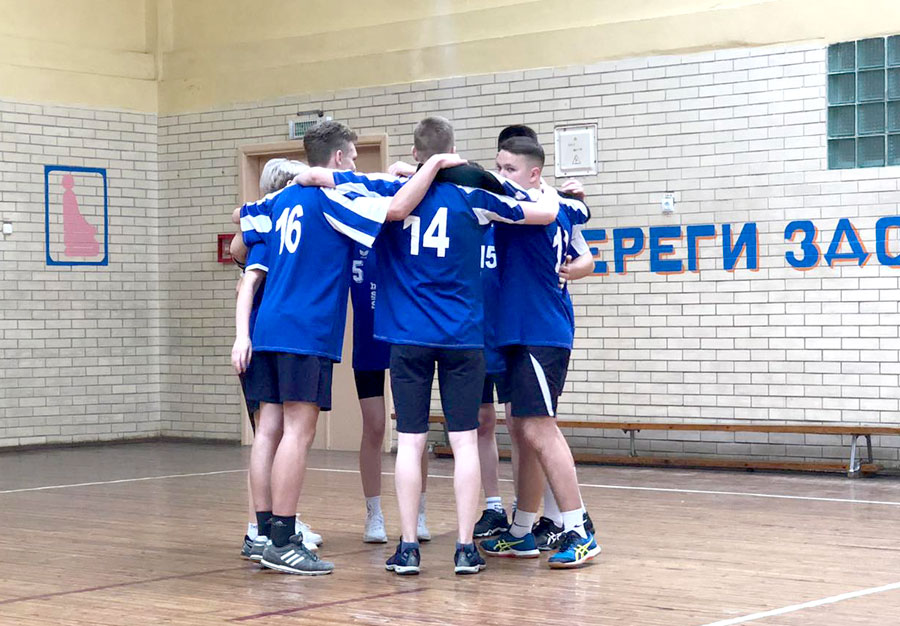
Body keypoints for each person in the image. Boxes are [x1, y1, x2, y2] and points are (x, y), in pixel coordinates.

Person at [306, 116, 562, 575]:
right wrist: (555, 193)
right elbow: (540, 213)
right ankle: (464, 548)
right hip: (462, 336)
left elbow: (327, 178)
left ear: (415, 152)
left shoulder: (388, 191)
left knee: (410, 441)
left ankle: (407, 547)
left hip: (407, 336)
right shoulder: (473, 196)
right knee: (464, 442)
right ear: (453, 151)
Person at [232, 120, 465, 575]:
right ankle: (283, 538)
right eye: (353, 159)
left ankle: (262, 532)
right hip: (306, 329)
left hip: (269, 326)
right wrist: (431, 165)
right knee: (298, 432)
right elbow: (398, 208)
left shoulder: (280, 200)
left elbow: (241, 232)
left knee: (269, 432)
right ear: (338, 159)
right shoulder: (334, 198)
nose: (355, 166)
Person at [481, 136, 601, 568]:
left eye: (510, 169)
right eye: (499, 166)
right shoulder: (554, 203)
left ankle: (578, 529)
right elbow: (578, 212)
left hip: (539, 331)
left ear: (534, 174)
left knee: (539, 429)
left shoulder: (531, 207)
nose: (501, 175)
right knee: (522, 428)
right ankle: (521, 530)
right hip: (517, 331)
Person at [230, 159, 322, 560]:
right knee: (272, 432)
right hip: (266, 339)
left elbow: (237, 240)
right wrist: (242, 336)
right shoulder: (271, 231)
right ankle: (263, 527)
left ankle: (267, 525)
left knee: (270, 431)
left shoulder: (264, 227)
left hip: (262, 336)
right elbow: (246, 281)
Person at [350, 243, 431, 543]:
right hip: (366, 344)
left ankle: (419, 512)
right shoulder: (353, 237)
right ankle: (373, 513)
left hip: (403, 338)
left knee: (413, 428)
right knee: (374, 425)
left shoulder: (400, 236)